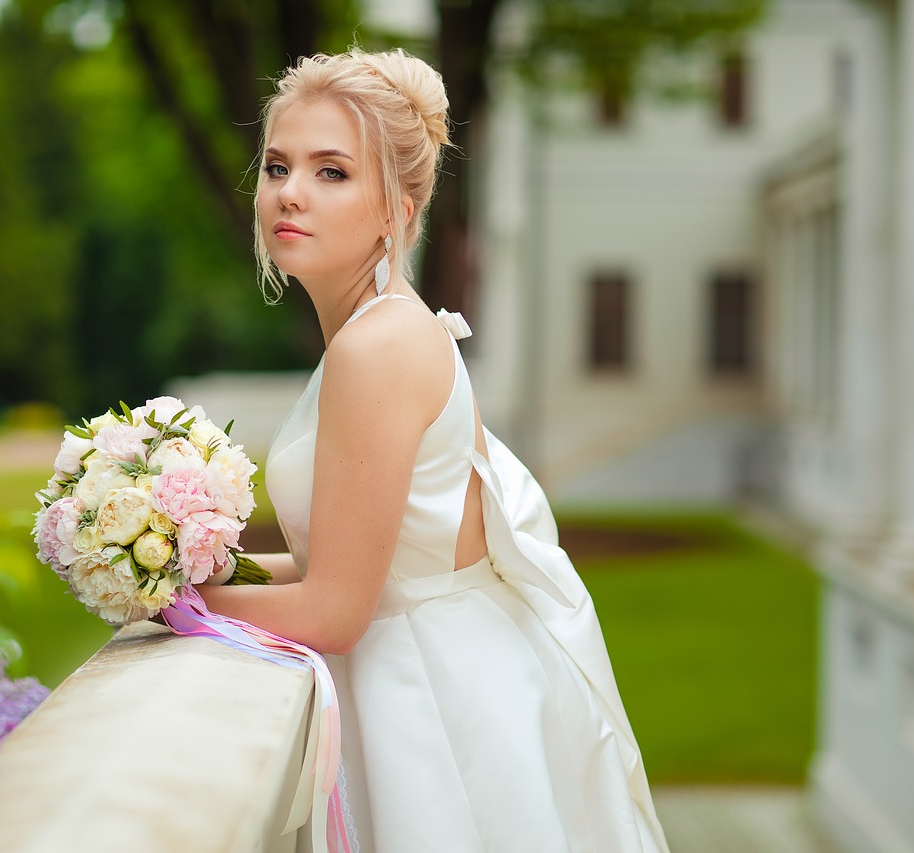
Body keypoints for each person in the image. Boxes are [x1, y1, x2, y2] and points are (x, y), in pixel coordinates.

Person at [197, 48, 669, 853]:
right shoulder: (382, 331)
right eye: (278, 165)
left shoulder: (374, 349)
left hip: (432, 711)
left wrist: (169, 608)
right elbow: (350, 564)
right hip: (434, 667)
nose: (290, 192)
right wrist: (192, 562)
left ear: (397, 209)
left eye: (332, 171)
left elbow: (336, 610)